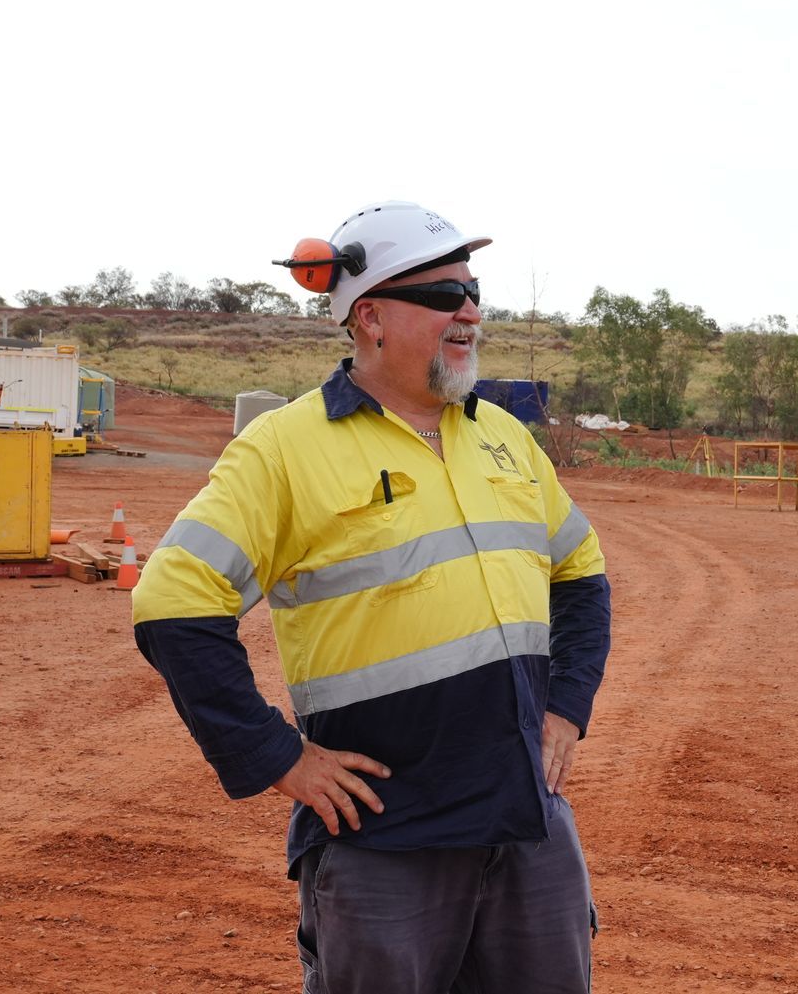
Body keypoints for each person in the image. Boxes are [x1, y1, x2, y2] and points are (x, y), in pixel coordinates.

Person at [132, 201, 610, 993]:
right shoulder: (285, 448)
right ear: (370, 317)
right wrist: (276, 757)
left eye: (473, 290)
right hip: (387, 838)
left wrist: (567, 707)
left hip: (529, 824)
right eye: (442, 294)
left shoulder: (504, 436)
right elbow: (173, 602)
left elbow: (581, 571)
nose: (469, 311)